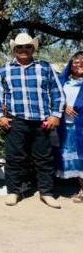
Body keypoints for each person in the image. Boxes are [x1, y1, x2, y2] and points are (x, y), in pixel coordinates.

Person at [0, 33, 65, 208]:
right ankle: (13, 191)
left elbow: (58, 93)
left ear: (33, 48)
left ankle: (46, 192)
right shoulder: (5, 70)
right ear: (14, 50)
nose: (23, 50)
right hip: (16, 121)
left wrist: (55, 115)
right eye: (19, 47)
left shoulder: (45, 67)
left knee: (44, 158)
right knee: (14, 158)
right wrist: (0, 116)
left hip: (42, 121)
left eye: (27, 47)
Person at [56, 51, 83, 202]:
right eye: (75, 63)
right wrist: (64, 105)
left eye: (82, 62)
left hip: (82, 126)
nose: (78, 65)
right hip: (66, 127)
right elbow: (54, 97)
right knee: (77, 161)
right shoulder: (63, 81)